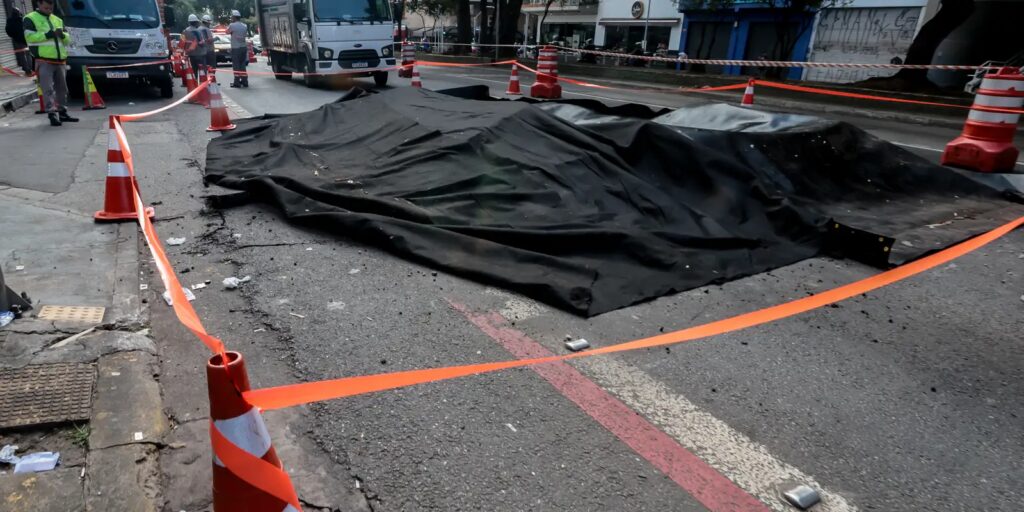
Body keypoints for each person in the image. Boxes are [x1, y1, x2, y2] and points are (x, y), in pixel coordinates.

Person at [23, 0, 77, 126]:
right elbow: (30, 37)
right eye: (46, 8)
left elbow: (68, 39)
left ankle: (62, 112)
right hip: (44, 60)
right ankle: (52, 114)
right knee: (48, 89)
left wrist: (62, 35)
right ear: (39, 4)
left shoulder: (57, 20)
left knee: (62, 89)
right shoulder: (30, 18)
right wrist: (49, 34)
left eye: (51, 8)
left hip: (60, 60)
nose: (49, 10)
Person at [5, 7, 32, 74]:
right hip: (25, 39)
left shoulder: (10, 20)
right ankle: (31, 67)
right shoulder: (22, 19)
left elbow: (8, 30)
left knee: (22, 55)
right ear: (19, 12)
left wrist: (13, 36)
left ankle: (27, 69)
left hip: (17, 40)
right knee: (28, 54)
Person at [226, 10, 248, 88]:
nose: (231, 18)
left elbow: (227, 32)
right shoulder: (244, 26)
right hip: (243, 47)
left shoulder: (232, 25)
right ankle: (245, 81)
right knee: (242, 65)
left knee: (236, 66)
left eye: (232, 17)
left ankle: (237, 82)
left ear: (234, 17)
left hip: (236, 48)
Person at [182, 14, 207, 79]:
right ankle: (203, 86)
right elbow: (202, 44)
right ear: (196, 22)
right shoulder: (198, 31)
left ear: (189, 22)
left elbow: (182, 43)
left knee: (193, 72)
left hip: (191, 55)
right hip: (200, 54)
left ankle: (195, 85)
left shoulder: (184, 31)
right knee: (203, 72)